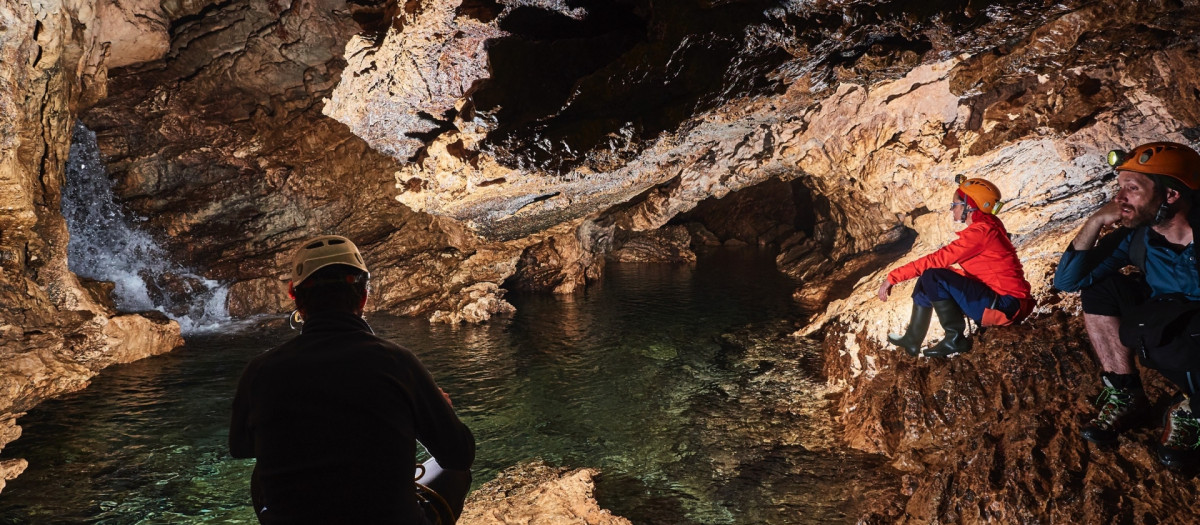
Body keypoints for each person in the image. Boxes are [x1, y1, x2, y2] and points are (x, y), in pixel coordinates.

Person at [230, 235, 475, 524]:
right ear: (364, 296)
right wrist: (437, 410)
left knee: (263, 470)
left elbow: (241, 447)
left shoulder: (260, 371)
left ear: (293, 295)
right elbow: (459, 455)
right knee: (454, 472)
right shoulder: (398, 363)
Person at [1054, 141, 1200, 468]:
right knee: (1100, 287)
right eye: (1119, 188)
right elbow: (1067, 282)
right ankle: (1126, 393)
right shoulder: (1137, 238)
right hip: (1175, 328)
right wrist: (1093, 222)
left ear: (1171, 195)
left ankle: (1193, 408)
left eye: (1132, 189)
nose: (1119, 199)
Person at [878, 176, 1034, 358]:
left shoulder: (982, 233)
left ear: (969, 206)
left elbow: (938, 259)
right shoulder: (988, 227)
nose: (952, 209)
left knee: (933, 276)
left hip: (1005, 305)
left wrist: (892, 277)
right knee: (928, 278)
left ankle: (955, 339)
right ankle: (912, 339)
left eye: (955, 204)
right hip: (1003, 300)